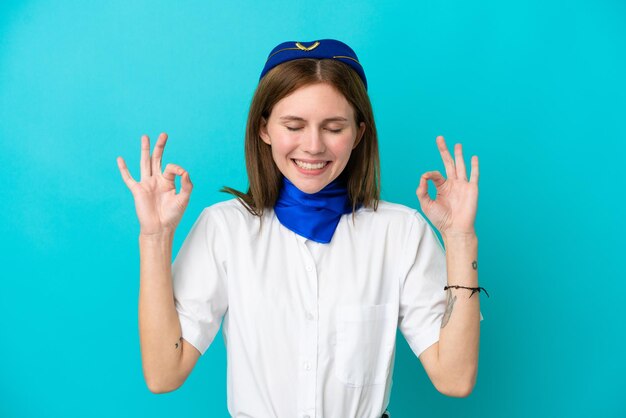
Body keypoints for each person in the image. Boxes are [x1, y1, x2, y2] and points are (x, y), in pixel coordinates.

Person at [116, 39, 487, 418]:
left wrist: (460, 240)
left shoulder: (402, 233)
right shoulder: (224, 229)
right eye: (293, 125)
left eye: (334, 127)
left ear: (359, 133)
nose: (312, 146)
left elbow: (454, 379)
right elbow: (164, 373)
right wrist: (155, 237)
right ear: (264, 129)